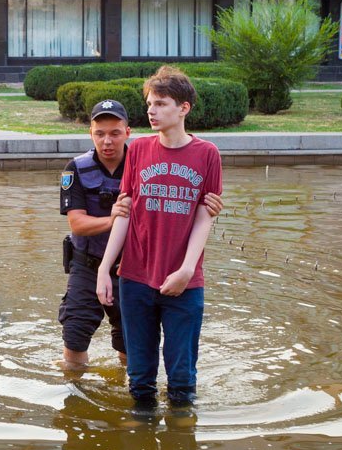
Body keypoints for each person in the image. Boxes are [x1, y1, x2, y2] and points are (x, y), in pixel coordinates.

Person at [59, 99, 222, 369]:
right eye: (100, 133)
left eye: (115, 133)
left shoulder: (145, 160)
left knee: (129, 342)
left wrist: (205, 206)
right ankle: (77, 393)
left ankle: (123, 390)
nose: (107, 141)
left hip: (133, 269)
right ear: (90, 133)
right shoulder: (77, 168)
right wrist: (115, 217)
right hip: (87, 264)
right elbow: (77, 224)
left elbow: (176, 201)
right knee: (75, 332)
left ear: (128, 132)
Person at [96, 68, 222, 410]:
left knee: (182, 381)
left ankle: (180, 446)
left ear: (183, 108)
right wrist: (105, 268)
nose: (151, 111)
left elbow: (204, 215)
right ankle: (141, 445)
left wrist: (185, 270)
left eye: (161, 104)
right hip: (135, 279)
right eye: (150, 103)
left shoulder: (207, 154)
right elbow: (125, 212)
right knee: (139, 380)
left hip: (185, 282)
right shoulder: (137, 151)